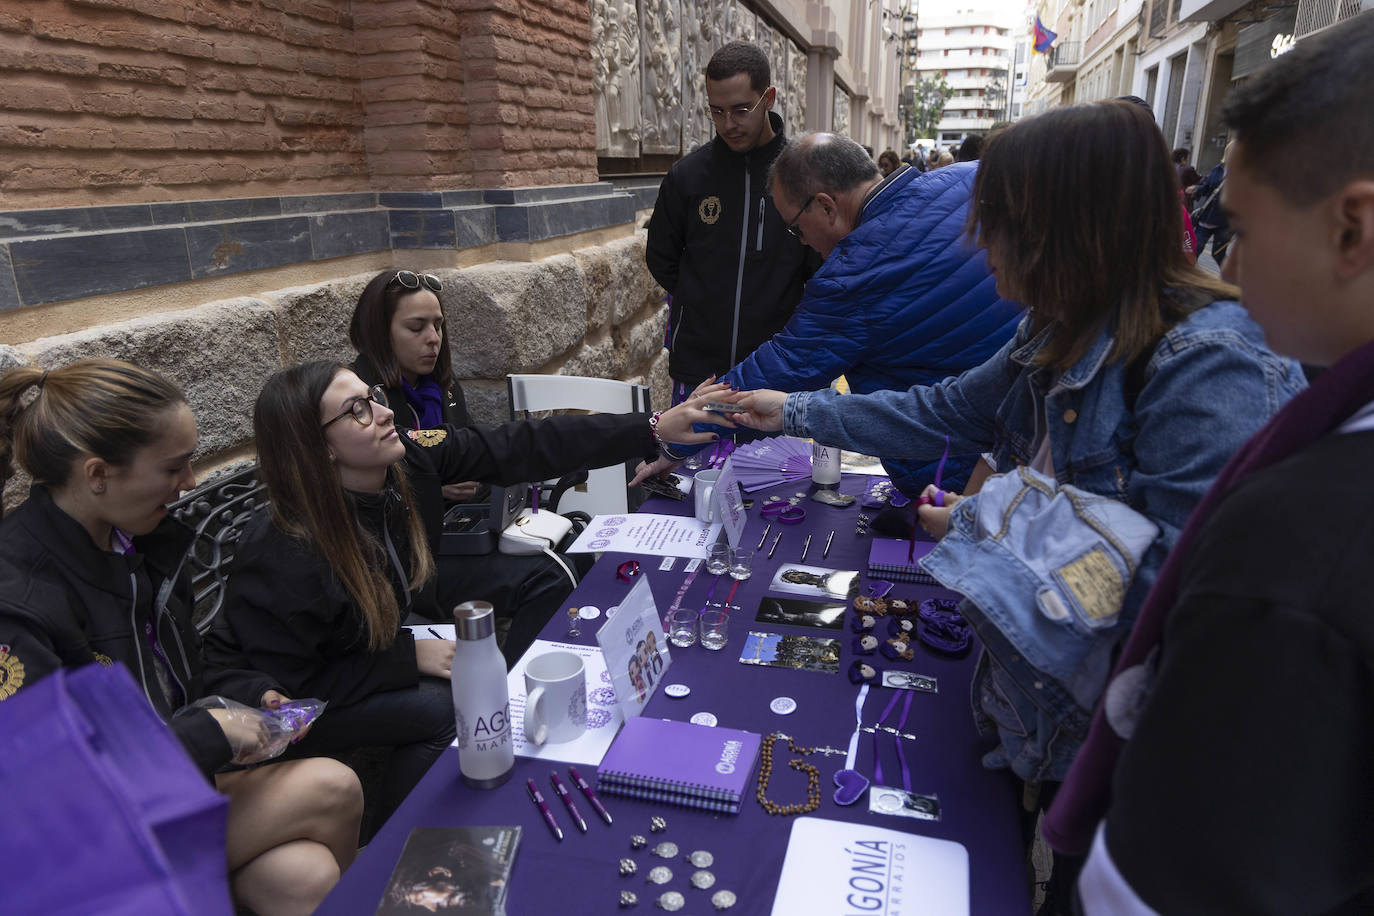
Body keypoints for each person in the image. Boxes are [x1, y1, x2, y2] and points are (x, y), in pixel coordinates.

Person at [726, 101, 1305, 914]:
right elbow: (939, 410)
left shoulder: (1210, 366)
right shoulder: (1053, 329)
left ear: (1062, 229)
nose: (977, 247)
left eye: (993, 224)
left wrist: (980, 526)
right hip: (1041, 721)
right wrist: (789, 409)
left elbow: (1180, 605)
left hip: (1127, 766)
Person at [1055, 13, 1374, 912]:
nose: (1228, 258)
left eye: (1241, 224)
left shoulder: (1306, 535)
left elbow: (1182, 869)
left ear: (1353, 228)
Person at [220, 361, 730, 838]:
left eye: (372, 396)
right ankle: (397, 839)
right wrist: (407, 658)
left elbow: (518, 444)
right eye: (357, 409)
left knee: (503, 633)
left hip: (371, 644)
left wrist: (652, 427)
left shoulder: (404, 465)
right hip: (298, 706)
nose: (384, 411)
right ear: (319, 446)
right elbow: (293, 687)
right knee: (449, 707)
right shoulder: (285, 547)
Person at [0, 359, 363, 916]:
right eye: (175, 466)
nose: (191, 483)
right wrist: (209, 731)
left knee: (302, 876)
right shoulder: (19, 598)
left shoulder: (131, 545)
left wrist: (247, 695)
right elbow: (54, 792)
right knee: (332, 787)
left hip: (157, 794)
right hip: (77, 851)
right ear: (97, 474)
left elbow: (172, 685)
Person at [637, 133, 1021, 496]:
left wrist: (675, 438)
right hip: (1024, 438)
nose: (801, 242)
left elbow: (775, 369)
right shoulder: (974, 178)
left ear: (825, 205)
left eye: (795, 229)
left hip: (963, 474)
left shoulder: (855, 274)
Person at [348, 268, 572, 663]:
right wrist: (434, 485)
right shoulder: (363, 399)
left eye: (438, 325)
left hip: (460, 527)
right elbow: (366, 496)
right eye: (416, 327)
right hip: (408, 561)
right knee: (548, 576)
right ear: (379, 333)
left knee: (568, 543)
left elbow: (470, 452)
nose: (433, 339)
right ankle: (516, 693)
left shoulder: (444, 388)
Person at [646, 41, 819, 404]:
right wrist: (703, 299)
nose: (728, 124)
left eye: (741, 110)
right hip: (699, 374)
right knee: (694, 463)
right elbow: (661, 257)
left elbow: (818, 268)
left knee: (772, 463)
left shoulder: (801, 177)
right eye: (717, 111)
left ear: (768, 98)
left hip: (776, 374)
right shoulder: (687, 177)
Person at [1190, 141, 1234, 266]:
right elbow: (1207, 187)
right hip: (1207, 217)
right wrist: (1196, 189)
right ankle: (1187, 279)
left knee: (1218, 254)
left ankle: (1231, 281)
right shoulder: (1218, 168)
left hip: (1225, 222)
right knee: (1195, 250)